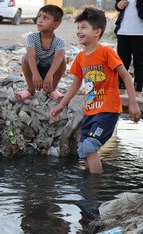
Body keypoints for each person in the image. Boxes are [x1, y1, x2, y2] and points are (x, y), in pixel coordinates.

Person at [50, 7, 141, 174]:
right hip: (90, 112)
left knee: (90, 145)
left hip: (107, 111)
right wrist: (61, 105)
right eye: (78, 28)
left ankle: (94, 188)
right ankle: (90, 185)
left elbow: (126, 77)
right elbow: (75, 85)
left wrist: (133, 103)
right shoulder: (80, 58)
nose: (79, 31)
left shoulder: (106, 52)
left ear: (97, 31)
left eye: (83, 27)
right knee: (83, 150)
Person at [15, 4, 66, 102]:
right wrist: (35, 74)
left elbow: (58, 59)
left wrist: (49, 76)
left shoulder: (60, 42)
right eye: (39, 16)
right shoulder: (32, 38)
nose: (40, 20)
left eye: (45, 18)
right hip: (35, 69)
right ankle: (30, 89)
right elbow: (31, 55)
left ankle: (51, 90)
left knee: (63, 59)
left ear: (55, 24)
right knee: (25, 57)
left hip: (50, 71)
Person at [115, 0, 143, 97]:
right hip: (123, 31)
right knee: (121, 62)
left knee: (139, 63)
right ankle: (121, 86)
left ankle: (138, 89)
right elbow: (118, 5)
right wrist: (118, 5)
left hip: (140, 32)